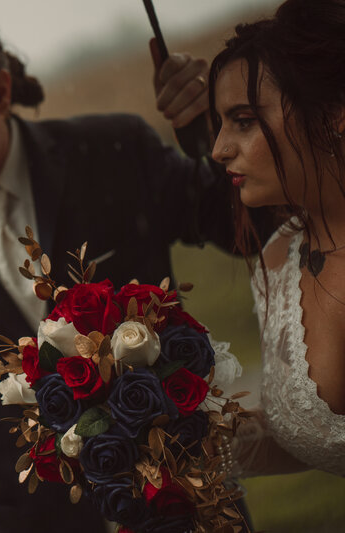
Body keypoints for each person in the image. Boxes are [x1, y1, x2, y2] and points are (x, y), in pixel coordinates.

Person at [0, 1, 255, 531]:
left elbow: (250, 230)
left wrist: (219, 124)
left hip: (188, 510)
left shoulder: (113, 153)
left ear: (0, 91)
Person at [209, 0, 345, 477]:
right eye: (221, 123)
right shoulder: (280, 256)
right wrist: (169, 439)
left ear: (331, 114)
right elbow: (314, 436)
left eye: (243, 121)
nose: (218, 149)